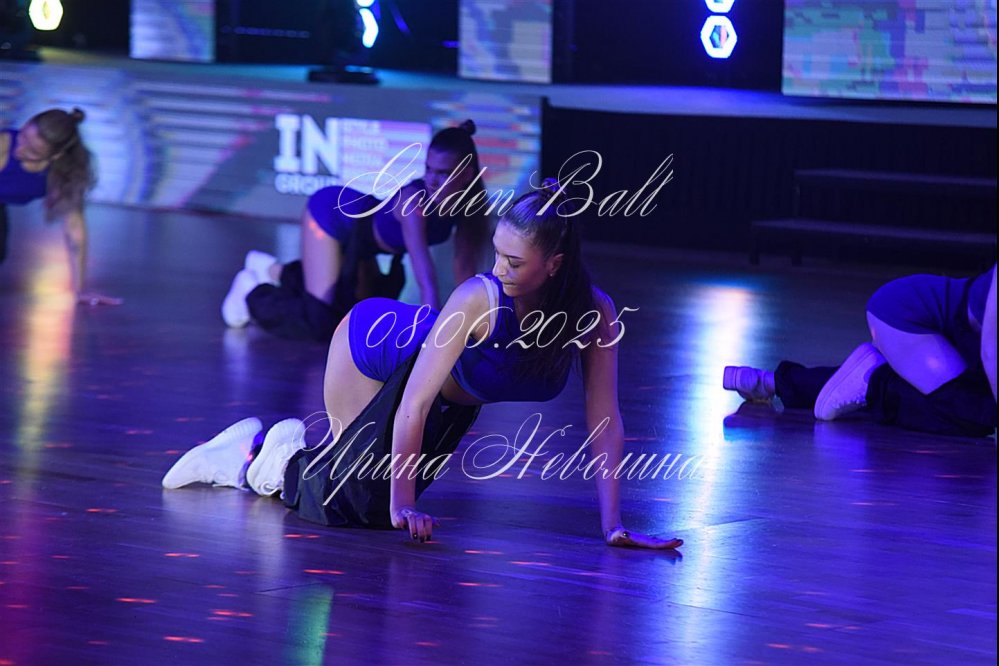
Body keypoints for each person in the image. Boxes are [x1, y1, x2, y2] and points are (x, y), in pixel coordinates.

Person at [164, 181, 684, 550]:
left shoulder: (594, 313)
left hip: (444, 398)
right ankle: (246, 457)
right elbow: (413, 401)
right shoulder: (480, 298)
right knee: (356, 503)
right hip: (372, 348)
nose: (498, 269)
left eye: (514, 262)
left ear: (555, 265)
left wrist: (613, 525)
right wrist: (403, 505)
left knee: (367, 495)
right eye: (496, 254)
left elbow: (604, 420)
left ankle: (283, 450)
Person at [221, 119, 489, 342]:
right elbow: (425, 280)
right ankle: (250, 292)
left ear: (466, 174)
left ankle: (269, 268)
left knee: (353, 321)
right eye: (428, 169)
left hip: (364, 245)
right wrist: (434, 342)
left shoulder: (469, 208)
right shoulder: (414, 202)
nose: (432, 180)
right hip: (332, 216)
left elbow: (465, 273)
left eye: (444, 173)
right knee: (322, 321)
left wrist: (472, 328)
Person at [723, 263, 997, 438]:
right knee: (974, 413)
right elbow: (991, 352)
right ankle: (873, 381)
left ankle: (768, 382)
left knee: (974, 404)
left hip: (943, 333)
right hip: (907, 317)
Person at [0, 107, 120, 305]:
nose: (20, 150)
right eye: (22, 136)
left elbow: (74, 228)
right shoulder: (3, 145)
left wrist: (80, 291)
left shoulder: (65, 171)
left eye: (33, 152)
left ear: (56, 155)